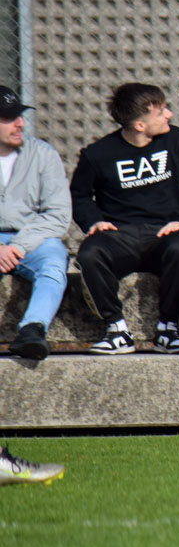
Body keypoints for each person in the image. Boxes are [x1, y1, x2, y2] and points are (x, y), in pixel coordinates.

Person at [70, 83, 179, 354]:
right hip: (120, 236)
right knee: (90, 254)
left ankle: (168, 329)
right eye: (161, 112)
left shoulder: (176, 140)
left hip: (166, 232)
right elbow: (79, 196)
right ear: (139, 125)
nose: (169, 115)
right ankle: (117, 330)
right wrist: (93, 221)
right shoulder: (98, 154)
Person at [0, 86, 71, 361]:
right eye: (8, 118)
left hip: (31, 238)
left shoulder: (43, 154)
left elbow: (58, 214)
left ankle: (33, 329)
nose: (20, 123)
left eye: (19, 115)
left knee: (54, 259)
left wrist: (17, 246)